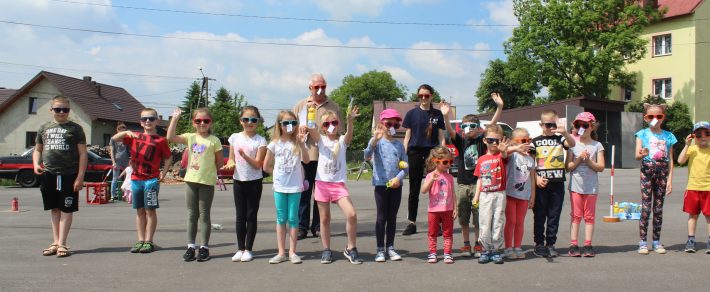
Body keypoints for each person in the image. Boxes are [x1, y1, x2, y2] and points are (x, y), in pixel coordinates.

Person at [442, 92, 503, 257]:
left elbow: (492, 124)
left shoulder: (481, 140)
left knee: (478, 218)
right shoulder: (461, 141)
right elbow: (449, 130)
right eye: (464, 126)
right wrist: (446, 117)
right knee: (463, 217)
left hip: (479, 184)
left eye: (471, 126)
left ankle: (478, 244)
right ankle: (466, 244)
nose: (467, 129)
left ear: (478, 128)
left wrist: (499, 107)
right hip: (462, 183)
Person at [307, 106, 363, 264]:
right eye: (326, 124)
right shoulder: (321, 140)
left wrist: (350, 121)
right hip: (322, 185)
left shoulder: (342, 140)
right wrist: (311, 110)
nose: (331, 125)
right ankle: (326, 250)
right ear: (323, 128)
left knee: (351, 214)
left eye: (334, 122)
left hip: (338, 186)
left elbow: (350, 136)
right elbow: (311, 127)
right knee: (324, 219)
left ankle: (351, 248)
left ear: (338, 124)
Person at [167, 108, 224, 262]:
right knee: (192, 215)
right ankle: (191, 246)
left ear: (210, 122)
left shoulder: (214, 140)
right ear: (193, 123)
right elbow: (170, 137)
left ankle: (204, 247)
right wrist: (175, 118)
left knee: (204, 215)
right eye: (198, 121)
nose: (202, 123)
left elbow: (219, 162)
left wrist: (211, 173)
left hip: (206, 182)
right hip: (191, 181)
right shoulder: (190, 137)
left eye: (206, 120)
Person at [112, 108, 172, 254]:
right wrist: (126, 132)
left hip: (151, 179)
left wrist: (163, 174)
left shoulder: (160, 140)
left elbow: (168, 157)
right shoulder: (134, 136)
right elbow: (115, 138)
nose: (148, 121)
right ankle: (140, 240)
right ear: (140, 122)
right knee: (139, 210)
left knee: (150, 209)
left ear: (157, 121)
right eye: (144, 119)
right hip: (136, 179)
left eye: (151, 118)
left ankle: (149, 241)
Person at [34, 95, 88, 258]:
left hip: (69, 174)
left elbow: (83, 154)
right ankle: (55, 242)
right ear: (51, 110)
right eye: (58, 109)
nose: (61, 112)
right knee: (54, 208)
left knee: (66, 208)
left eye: (65, 109)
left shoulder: (76, 129)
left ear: (69, 110)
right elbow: (37, 150)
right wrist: (36, 164)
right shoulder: (44, 127)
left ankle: (63, 243)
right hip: (49, 173)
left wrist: (80, 177)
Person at [292, 74, 344, 240]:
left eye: (323, 86)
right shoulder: (301, 106)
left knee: (320, 193)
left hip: (325, 156)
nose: (320, 90)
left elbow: (339, 131)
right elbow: (290, 129)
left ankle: (317, 226)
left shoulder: (334, 106)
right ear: (310, 88)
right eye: (316, 87)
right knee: (304, 191)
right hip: (306, 155)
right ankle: (301, 226)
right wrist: (298, 132)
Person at [263, 111, 310, 264]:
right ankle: (281, 252)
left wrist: (302, 144)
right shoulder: (274, 143)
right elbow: (266, 166)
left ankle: (293, 252)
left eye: (293, 123)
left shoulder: (298, 142)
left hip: (295, 186)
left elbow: (307, 161)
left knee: (293, 218)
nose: (290, 126)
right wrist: (277, 173)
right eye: (286, 123)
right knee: (281, 218)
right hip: (280, 186)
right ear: (280, 125)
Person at [223, 106, 267, 262]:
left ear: (258, 122)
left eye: (253, 120)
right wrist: (230, 164)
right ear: (240, 121)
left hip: (254, 181)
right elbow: (231, 159)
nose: (250, 122)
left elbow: (258, 164)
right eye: (246, 119)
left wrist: (244, 156)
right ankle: (240, 248)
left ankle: (249, 249)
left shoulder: (261, 140)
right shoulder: (235, 137)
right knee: (240, 216)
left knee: (251, 215)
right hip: (238, 180)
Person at [364, 108, 408, 262]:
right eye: (389, 123)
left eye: (395, 125)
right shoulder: (377, 142)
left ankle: (390, 247)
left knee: (392, 217)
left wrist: (399, 178)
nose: (392, 127)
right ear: (381, 124)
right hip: (381, 185)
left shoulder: (399, 145)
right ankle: (379, 249)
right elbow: (366, 155)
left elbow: (405, 166)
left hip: (396, 185)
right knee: (381, 217)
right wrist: (374, 139)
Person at [401, 84, 446, 235]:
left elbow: (441, 136)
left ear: (431, 96)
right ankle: (412, 223)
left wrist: (442, 151)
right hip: (414, 152)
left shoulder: (437, 114)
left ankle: (437, 224)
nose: (423, 98)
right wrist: (403, 153)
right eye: (421, 96)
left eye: (426, 95)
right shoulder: (411, 114)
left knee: (436, 187)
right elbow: (407, 135)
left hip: (432, 152)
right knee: (414, 188)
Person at [530, 110, 575, 258]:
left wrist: (564, 133)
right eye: (547, 125)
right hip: (541, 184)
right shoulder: (534, 141)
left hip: (557, 183)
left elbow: (572, 143)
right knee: (540, 215)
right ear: (541, 124)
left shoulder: (560, 139)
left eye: (553, 124)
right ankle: (539, 243)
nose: (550, 127)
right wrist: (536, 178)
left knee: (554, 215)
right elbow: (530, 164)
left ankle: (551, 243)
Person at [634, 103, 677, 255]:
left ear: (663, 117)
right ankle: (642, 242)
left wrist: (670, 179)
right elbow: (637, 155)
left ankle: (657, 241)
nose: (655, 119)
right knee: (646, 208)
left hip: (662, 174)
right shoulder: (642, 134)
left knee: (658, 209)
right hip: (647, 172)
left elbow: (671, 160)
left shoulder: (669, 136)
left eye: (659, 116)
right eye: (651, 116)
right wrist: (643, 153)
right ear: (646, 118)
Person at [565, 112, 605, 257]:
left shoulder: (597, 145)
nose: (581, 128)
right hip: (575, 186)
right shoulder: (573, 144)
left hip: (591, 187)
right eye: (577, 125)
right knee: (576, 215)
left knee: (589, 216)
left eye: (585, 125)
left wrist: (588, 161)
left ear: (592, 127)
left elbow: (601, 167)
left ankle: (588, 244)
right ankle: (573, 244)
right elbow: (568, 167)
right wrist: (578, 160)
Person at [474, 125, 510, 264]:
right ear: (484, 141)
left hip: (500, 194)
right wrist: (476, 196)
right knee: (484, 221)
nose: (494, 143)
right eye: (491, 140)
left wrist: (504, 150)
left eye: (497, 140)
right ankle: (485, 249)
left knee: (498, 222)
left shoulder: (501, 155)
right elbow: (479, 179)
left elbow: (506, 156)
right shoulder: (481, 159)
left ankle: (496, 249)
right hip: (485, 195)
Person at [677, 121, 710, 254]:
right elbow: (680, 161)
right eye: (698, 134)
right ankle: (691, 240)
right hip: (693, 187)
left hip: (708, 188)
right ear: (694, 136)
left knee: (709, 216)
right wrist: (686, 145)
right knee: (693, 215)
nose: (703, 137)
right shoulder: (692, 149)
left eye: (707, 133)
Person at [503, 128, 536, 260]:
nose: (526, 143)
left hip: (524, 196)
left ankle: (517, 247)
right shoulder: (513, 155)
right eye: (523, 140)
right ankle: (508, 248)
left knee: (520, 222)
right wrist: (514, 147)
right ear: (513, 141)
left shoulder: (530, 159)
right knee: (511, 221)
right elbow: (503, 153)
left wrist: (532, 196)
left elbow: (532, 178)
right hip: (511, 194)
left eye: (528, 140)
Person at [421, 146, 457, 264]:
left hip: (447, 209)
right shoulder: (430, 175)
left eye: (450, 162)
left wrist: (455, 207)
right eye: (445, 162)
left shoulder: (450, 177)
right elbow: (423, 190)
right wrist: (432, 180)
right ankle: (432, 253)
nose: (448, 164)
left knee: (448, 232)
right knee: (432, 232)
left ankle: (447, 253)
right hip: (433, 210)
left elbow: (453, 193)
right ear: (436, 162)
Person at [109, 122, 130, 202]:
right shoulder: (113, 138)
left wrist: (130, 161)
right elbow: (112, 151)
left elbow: (130, 149)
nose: (123, 133)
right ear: (118, 130)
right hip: (117, 160)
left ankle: (126, 195)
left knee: (127, 178)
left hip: (126, 160)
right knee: (115, 178)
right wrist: (113, 162)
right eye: (121, 131)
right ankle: (112, 196)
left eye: (124, 131)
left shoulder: (127, 138)